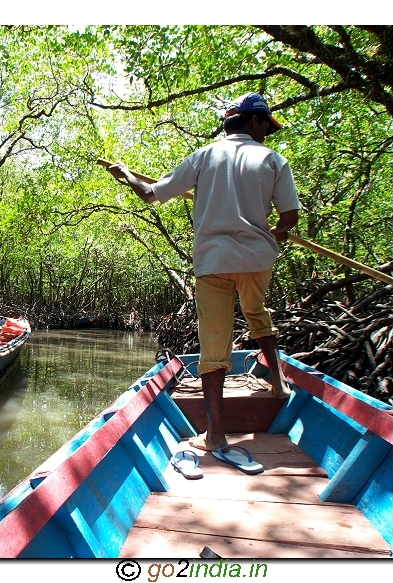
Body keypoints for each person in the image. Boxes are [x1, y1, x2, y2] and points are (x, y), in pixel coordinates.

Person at [103, 92, 301, 453]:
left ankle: (215, 435)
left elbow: (150, 194)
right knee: (257, 313)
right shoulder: (273, 160)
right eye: (266, 126)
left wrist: (126, 174)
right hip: (257, 260)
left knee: (213, 348)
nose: (267, 134)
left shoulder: (204, 156)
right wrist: (277, 231)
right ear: (253, 121)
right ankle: (279, 382)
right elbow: (290, 217)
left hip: (213, 262)